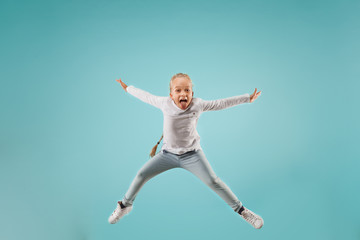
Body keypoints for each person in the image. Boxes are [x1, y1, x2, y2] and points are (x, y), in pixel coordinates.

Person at [109, 73, 263, 229]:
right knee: (141, 175)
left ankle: (242, 210)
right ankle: (124, 206)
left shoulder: (198, 105)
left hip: (192, 155)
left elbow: (220, 103)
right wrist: (128, 88)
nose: (183, 94)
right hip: (167, 155)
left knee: (213, 181)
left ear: (192, 93)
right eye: (178, 90)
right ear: (171, 95)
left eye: (187, 90)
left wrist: (247, 98)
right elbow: (145, 96)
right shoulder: (164, 103)